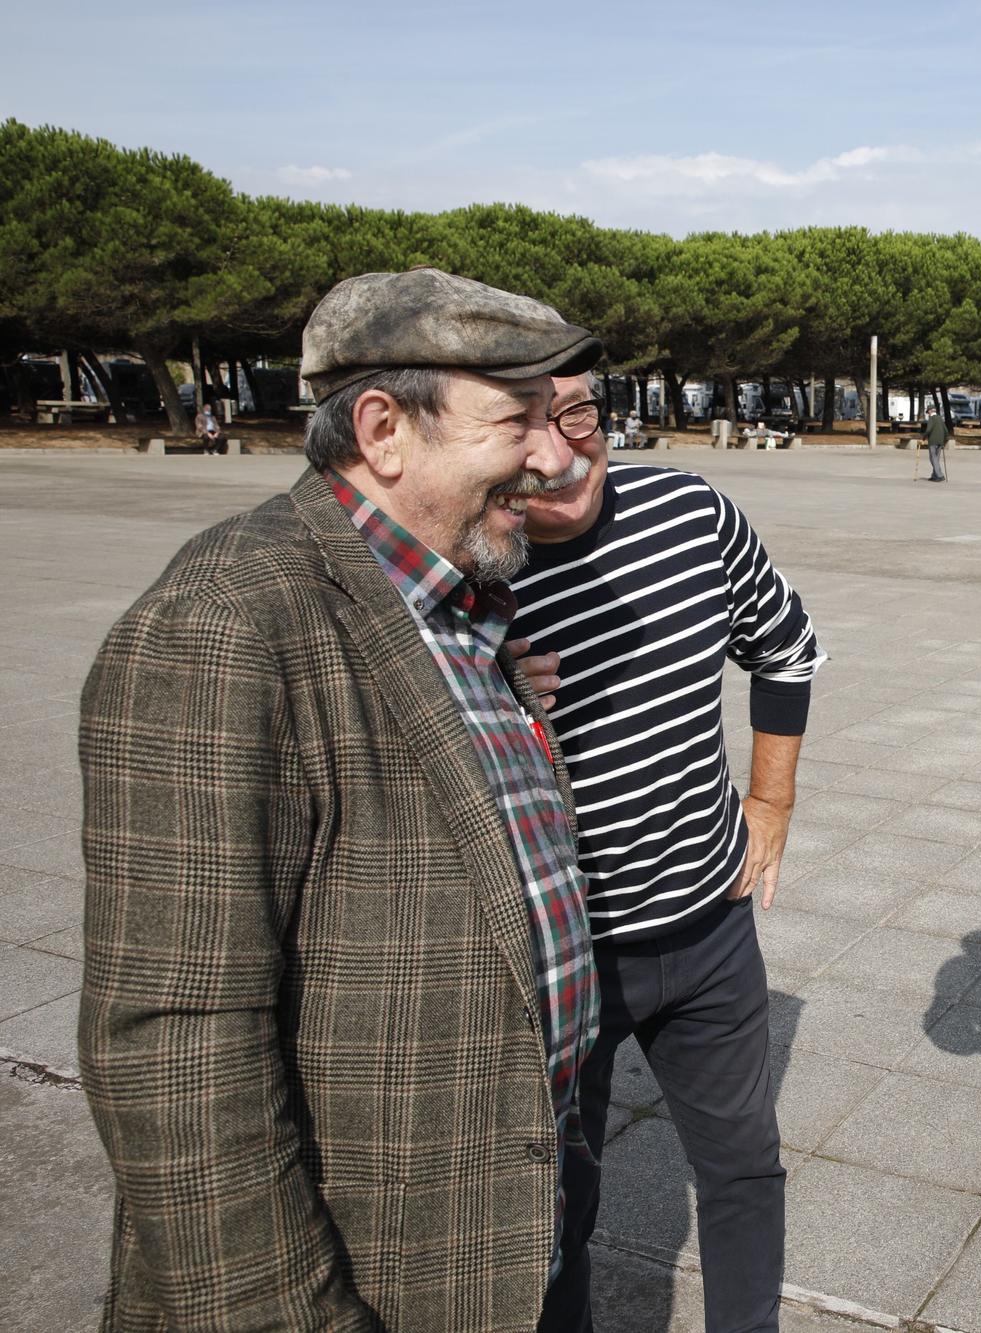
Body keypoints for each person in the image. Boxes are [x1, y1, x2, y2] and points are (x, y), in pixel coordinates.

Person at [77, 267, 604, 1330]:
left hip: (505, 1236)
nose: (555, 459)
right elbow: (174, 1044)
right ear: (382, 429)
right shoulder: (224, 623)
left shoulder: (456, 593)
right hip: (366, 1278)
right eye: (516, 423)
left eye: (559, 419)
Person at [508, 371, 824, 1333]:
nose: (562, 449)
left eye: (578, 411)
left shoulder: (690, 512)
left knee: (741, 1172)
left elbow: (789, 645)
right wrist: (483, 690)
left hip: (709, 926)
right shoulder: (465, 558)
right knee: (553, 1205)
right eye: (525, 423)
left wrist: (769, 799)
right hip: (559, 954)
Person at [922, 403, 950, 481]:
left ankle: (940, 475)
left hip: (933, 441)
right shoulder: (940, 418)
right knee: (936, 459)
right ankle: (934, 475)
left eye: (928, 412)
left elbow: (928, 429)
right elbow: (946, 431)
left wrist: (924, 437)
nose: (928, 414)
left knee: (933, 458)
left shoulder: (932, 418)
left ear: (930, 411)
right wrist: (945, 440)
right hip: (940, 441)